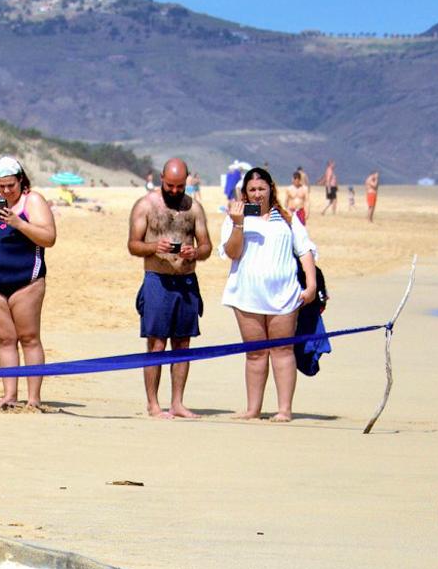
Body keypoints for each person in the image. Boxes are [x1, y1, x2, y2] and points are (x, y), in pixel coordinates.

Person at [222, 166, 316, 422]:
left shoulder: (286, 217)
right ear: (245, 192)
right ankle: (253, 409)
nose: (257, 194)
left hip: (284, 294)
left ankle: (284, 409)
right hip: (247, 295)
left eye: (261, 188)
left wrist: (311, 285)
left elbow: (305, 250)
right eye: (251, 190)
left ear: (270, 189)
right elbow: (232, 252)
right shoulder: (235, 217)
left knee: (283, 350)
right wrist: (238, 225)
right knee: (255, 353)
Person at [127, 157, 212, 419]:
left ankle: (177, 402)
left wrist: (194, 252)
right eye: (170, 185)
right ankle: (153, 404)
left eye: (179, 186)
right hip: (158, 280)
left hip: (186, 282)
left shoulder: (194, 208)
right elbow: (133, 244)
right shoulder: (146, 205)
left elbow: (207, 246)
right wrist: (155, 247)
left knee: (183, 344)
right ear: (161, 178)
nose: (175, 191)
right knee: (156, 344)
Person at [0, 156, 57, 410]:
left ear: (21, 180)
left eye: (11, 185)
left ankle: (33, 397)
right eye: (1, 186)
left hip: (26, 280)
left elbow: (48, 237)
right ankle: (9, 394)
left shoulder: (32, 201)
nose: (6, 191)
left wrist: (19, 223)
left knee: (29, 337)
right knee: (5, 339)